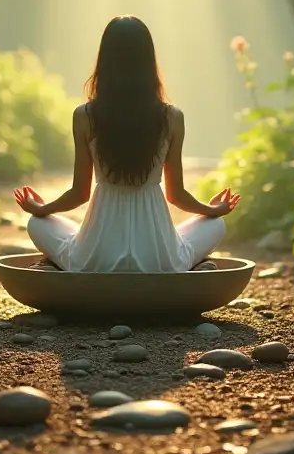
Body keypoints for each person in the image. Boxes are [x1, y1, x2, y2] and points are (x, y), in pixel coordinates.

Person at [13, 15, 240, 272]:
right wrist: (212, 210)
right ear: (148, 61)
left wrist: (41, 209)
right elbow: (176, 195)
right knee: (216, 225)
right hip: (159, 259)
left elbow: (80, 194)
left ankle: (68, 264)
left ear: (105, 61)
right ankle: (186, 265)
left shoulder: (84, 115)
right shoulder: (172, 117)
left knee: (36, 223)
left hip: (96, 259)